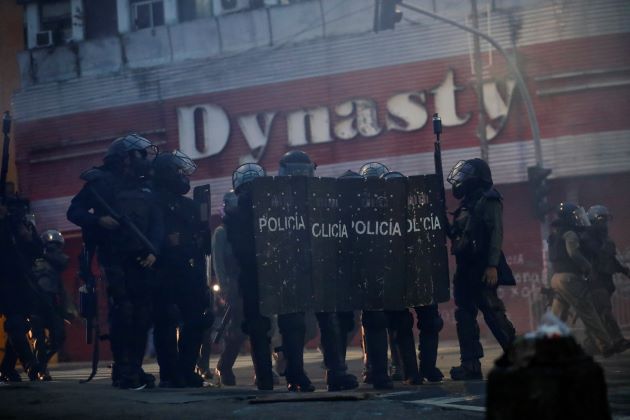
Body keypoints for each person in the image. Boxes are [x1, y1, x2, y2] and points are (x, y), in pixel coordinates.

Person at [67, 133, 163, 390]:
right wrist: (98, 221)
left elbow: (157, 223)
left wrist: (154, 250)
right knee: (124, 313)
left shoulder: (147, 186)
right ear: (127, 157)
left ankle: (135, 368)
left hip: (142, 258)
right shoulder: (101, 182)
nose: (146, 159)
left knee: (143, 315)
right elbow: (74, 211)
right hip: (114, 257)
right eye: (140, 154)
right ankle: (124, 369)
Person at [277, 150, 358, 392]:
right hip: (292, 269)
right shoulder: (275, 200)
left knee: (328, 320)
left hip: (320, 266)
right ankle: (297, 373)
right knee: (296, 324)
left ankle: (335, 371)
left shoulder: (322, 196)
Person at [446, 158, 516, 380]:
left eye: (466, 175)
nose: (461, 180)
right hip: (465, 266)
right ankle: (470, 365)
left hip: (482, 264)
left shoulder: (489, 199)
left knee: (493, 313)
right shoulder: (467, 204)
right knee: (464, 315)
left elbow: (496, 233)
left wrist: (492, 265)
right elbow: (457, 236)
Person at [151, 150, 212, 388]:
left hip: (189, 270)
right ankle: (169, 372)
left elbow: (201, 239)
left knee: (196, 320)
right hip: (162, 271)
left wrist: (190, 240)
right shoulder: (151, 200)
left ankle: (187, 369)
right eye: (178, 172)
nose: (182, 177)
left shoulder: (190, 205)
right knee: (165, 322)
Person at [224, 162, 275, 390]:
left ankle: (265, 376)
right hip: (267, 274)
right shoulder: (264, 208)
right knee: (270, 326)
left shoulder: (234, 215)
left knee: (258, 327)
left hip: (250, 278)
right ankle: (272, 375)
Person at [547, 202, 616, 357]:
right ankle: (605, 345)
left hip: (556, 278)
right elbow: (574, 254)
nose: (578, 218)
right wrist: (588, 268)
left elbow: (552, 261)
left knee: (558, 315)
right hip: (570, 279)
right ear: (569, 217)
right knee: (588, 311)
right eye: (575, 215)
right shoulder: (570, 234)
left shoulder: (554, 235)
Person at [356, 162, 394, 389]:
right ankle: (377, 369)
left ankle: (378, 369)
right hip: (372, 274)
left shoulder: (385, 207)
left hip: (380, 273)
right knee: (375, 322)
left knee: (376, 322)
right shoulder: (379, 207)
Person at [0, 192, 46, 381]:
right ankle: (29, 363)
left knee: (21, 323)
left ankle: (7, 368)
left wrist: (27, 236)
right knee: (16, 322)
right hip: (4, 280)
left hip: (23, 280)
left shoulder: (21, 225)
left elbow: (37, 251)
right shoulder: (4, 225)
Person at [582, 205, 630, 354]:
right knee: (604, 311)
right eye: (601, 219)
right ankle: (617, 339)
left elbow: (611, 260)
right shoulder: (587, 238)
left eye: (605, 219)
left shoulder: (604, 239)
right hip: (595, 281)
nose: (604, 223)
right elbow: (595, 256)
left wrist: (624, 271)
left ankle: (591, 344)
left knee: (598, 314)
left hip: (606, 281)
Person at [29, 229, 76, 380]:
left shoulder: (57, 259)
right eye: (50, 245)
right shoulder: (32, 258)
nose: (53, 247)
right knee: (39, 339)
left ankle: (40, 364)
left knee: (59, 336)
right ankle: (40, 369)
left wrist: (44, 253)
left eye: (56, 245)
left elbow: (63, 261)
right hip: (35, 302)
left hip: (52, 302)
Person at [212, 190, 247, 386]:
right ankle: (224, 366)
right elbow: (218, 262)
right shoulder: (222, 232)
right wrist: (225, 286)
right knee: (236, 330)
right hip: (233, 283)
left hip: (247, 281)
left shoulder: (245, 227)